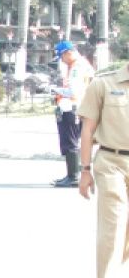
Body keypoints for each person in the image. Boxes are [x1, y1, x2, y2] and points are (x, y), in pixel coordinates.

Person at [77, 64, 129, 278]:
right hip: (111, 161)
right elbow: (87, 130)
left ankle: (107, 277)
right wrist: (85, 169)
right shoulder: (104, 84)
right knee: (114, 221)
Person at [50, 39, 95, 188]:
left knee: (70, 142)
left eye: (62, 57)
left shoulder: (77, 67)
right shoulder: (80, 65)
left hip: (73, 108)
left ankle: (73, 176)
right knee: (70, 141)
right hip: (75, 107)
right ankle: (71, 175)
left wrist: (56, 90)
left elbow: (74, 91)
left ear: (68, 53)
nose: (62, 61)